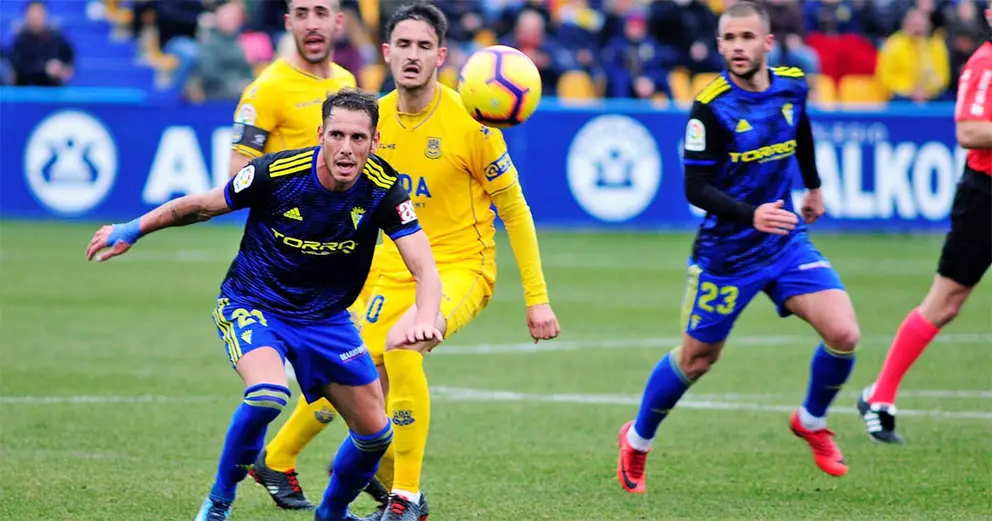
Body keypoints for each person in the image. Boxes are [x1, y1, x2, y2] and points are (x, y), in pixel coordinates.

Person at [250, 3, 562, 520]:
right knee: (347, 369)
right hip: (388, 270)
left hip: (461, 266)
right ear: (386, 52)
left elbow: (516, 211)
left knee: (403, 347)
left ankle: (406, 498)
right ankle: (280, 459)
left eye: (424, 46)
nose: (412, 55)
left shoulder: (474, 125)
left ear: (441, 56)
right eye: (403, 45)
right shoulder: (371, 125)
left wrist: (538, 299)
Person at [85, 89, 444, 521]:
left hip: (325, 319)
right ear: (320, 134)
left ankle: (331, 514)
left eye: (358, 138)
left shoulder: (383, 188)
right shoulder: (276, 172)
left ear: (374, 140)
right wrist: (132, 228)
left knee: (375, 435)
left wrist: (426, 317)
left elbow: (424, 266)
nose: (347, 148)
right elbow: (201, 206)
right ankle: (219, 503)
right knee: (268, 395)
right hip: (255, 304)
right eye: (337, 135)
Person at [615, 1, 861, 494]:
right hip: (726, 255)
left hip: (784, 242)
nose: (737, 47)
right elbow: (695, 188)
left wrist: (813, 187)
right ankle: (637, 440)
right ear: (720, 44)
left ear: (767, 42)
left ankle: (811, 422)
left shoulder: (792, 85)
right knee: (697, 359)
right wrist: (751, 215)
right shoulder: (710, 106)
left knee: (844, 332)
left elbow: (801, 129)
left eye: (747, 37)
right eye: (729, 39)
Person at [226, 0, 385, 508]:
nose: (313, 23)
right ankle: (378, 478)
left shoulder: (345, 84)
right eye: (303, 12)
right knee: (364, 370)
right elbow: (236, 177)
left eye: (322, 12)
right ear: (288, 22)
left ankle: (294, 460)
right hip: (290, 267)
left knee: (366, 371)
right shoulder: (267, 90)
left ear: (339, 22)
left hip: (344, 255)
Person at [856, 3, 991, 444]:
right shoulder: (985, 64)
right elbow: (969, 131)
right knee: (945, 302)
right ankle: (880, 396)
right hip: (985, 197)